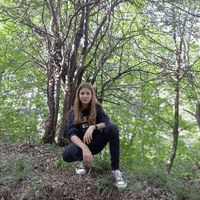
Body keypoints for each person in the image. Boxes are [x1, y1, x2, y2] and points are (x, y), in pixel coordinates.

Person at [63, 82, 127, 189]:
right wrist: (84, 148)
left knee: (113, 128)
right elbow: (71, 133)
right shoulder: (72, 113)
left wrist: (93, 127)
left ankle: (116, 170)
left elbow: (107, 123)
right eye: (82, 93)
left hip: (95, 143)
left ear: (92, 95)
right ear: (78, 95)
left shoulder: (97, 108)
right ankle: (81, 161)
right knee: (66, 154)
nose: (85, 96)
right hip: (80, 146)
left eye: (88, 93)